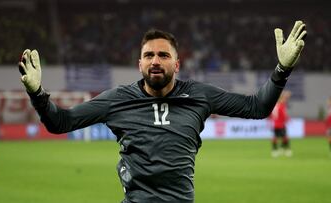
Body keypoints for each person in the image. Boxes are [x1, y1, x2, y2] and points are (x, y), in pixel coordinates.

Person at [18, 20, 307, 202]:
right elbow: (61, 122)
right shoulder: (117, 99)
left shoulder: (199, 95)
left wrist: (282, 70)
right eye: (149, 55)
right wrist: (37, 93)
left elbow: (257, 107)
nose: (156, 61)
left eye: (163, 55)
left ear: (177, 64)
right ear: (140, 64)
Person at [269, 90, 292, 157]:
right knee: (285, 137)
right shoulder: (281, 106)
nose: (285, 100)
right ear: (281, 99)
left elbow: (271, 115)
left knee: (275, 137)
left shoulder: (275, 106)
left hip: (275, 124)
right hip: (281, 124)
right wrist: (288, 119)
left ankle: (275, 150)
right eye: (284, 99)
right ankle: (287, 150)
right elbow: (284, 116)